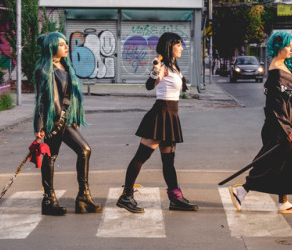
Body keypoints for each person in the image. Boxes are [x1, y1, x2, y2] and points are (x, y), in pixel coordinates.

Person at [117, 32, 198, 213]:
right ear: (170, 46)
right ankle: (126, 196)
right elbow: (149, 85)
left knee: (168, 162)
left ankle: (176, 199)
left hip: (171, 116)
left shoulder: (173, 66)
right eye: (179, 44)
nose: (182, 48)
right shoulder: (162, 66)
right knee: (141, 157)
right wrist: (155, 70)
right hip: (160, 116)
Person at [229, 31, 292, 214]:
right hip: (284, 122)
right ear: (279, 47)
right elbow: (274, 105)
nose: (291, 49)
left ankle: (283, 202)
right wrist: (287, 128)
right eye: (288, 45)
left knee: (288, 160)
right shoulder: (275, 72)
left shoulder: (287, 64)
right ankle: (242, 191)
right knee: (273, 160)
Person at [34, 32, 103, 215]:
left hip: (66, 119)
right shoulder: (43, 70)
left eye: (66, 44)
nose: (66, 47)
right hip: (53, 120)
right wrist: (39, 127)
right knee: (52, 157)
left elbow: (68, 97)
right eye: (62, 44)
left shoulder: (65, 66)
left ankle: (83, 197)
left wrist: (73, 116)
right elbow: (41, 101)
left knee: (83, 150)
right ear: (51, 47)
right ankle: (49, 199)